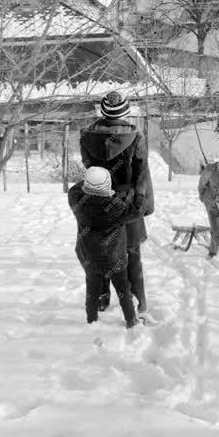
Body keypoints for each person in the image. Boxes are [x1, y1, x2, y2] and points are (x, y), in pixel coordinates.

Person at [79, 90, 154, 315]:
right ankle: (138, 301)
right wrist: (141, 202)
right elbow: (141, 173)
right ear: (126, 111)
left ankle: (102, 299)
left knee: (100, 251)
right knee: (132, 253)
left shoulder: (86, 136)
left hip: (97, 201)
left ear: (102, 110)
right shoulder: (136, 137)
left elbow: (87, 167)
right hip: (127, 202)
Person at [68, 166, 148, 329]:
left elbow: (74, 188)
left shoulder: (78, 202)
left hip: (88, 257)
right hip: (114, 259)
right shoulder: (117, 207)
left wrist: (91, 180)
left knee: (92, 289)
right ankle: (131, 320)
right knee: (123, 290)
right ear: (108, 186)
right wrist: (140, 194)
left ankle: (91, 319)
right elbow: (139, 210)